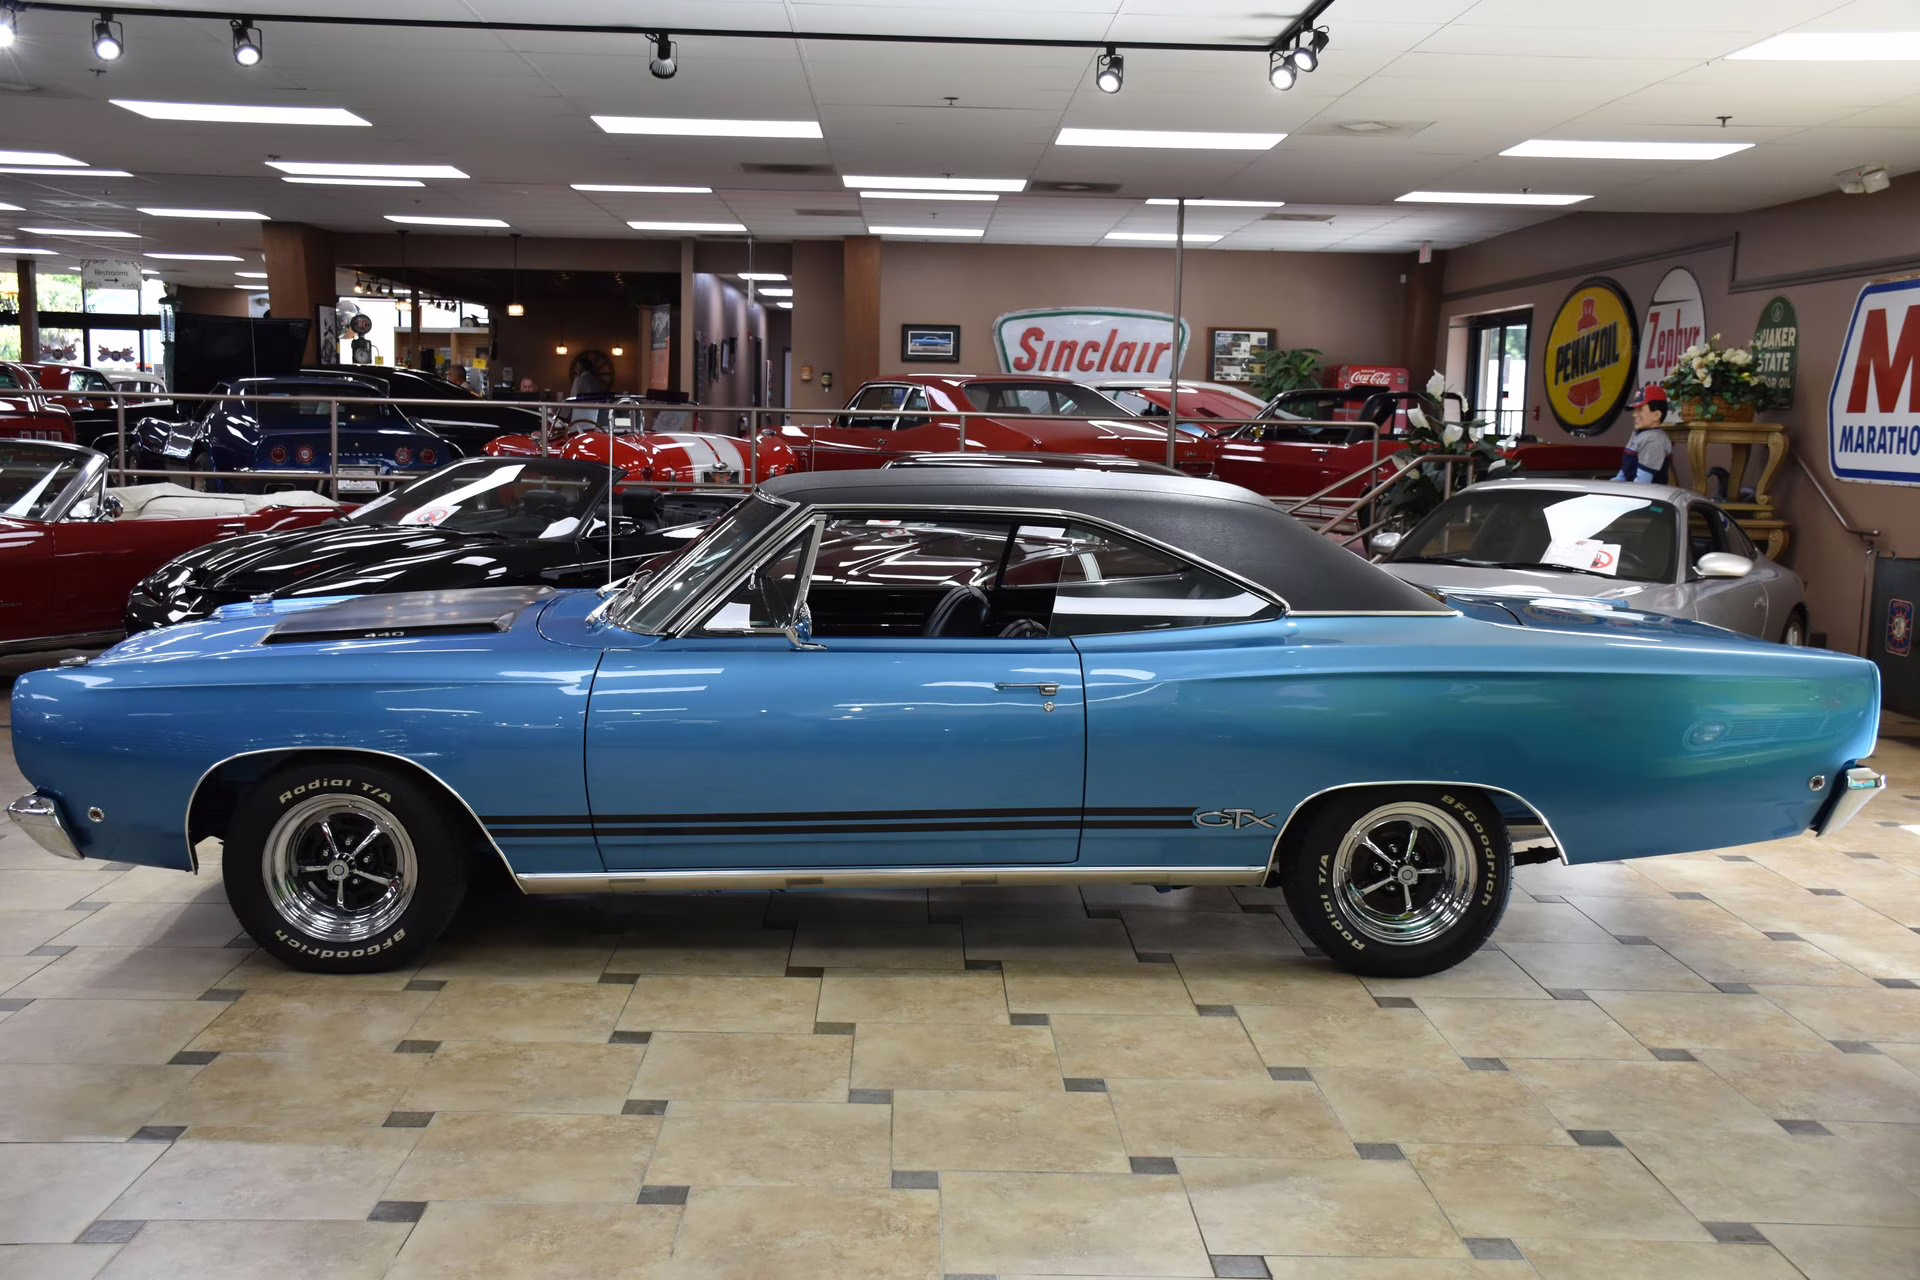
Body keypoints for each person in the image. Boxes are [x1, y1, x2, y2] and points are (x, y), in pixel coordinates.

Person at [1614, 385, 1673, 484]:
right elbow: (1624, 474)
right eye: (1635, 409)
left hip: (1646, 492)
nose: (1634, 414)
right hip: (1632, 489)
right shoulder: (1639, 433)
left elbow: (1642, 482)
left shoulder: (1654, 439)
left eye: (1640, 409)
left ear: (1656, 415)